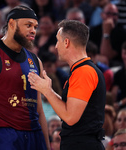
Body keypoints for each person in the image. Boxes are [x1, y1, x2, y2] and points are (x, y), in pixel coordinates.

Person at [0, 5, 50, 150]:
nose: (33, 30)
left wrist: (47, 146)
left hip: (34, 134)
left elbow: (39, 110)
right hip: (5, 136)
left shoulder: (35, 60)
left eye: (35, 26)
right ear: (12, 24)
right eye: (28, 25)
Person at [28, 19, 106, 150]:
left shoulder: (84, 72)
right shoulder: (82, 70)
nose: (56, 46)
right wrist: (49, 90)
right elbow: (68, 110)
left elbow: (70, 117)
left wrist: (47, 91)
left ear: (66, 42)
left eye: (58, 40)